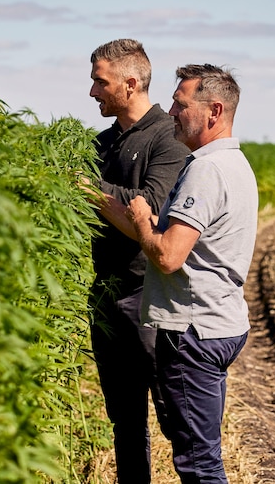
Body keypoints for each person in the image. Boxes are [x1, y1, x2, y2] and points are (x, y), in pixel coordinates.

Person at [122, 63, 258, 483]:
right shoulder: (234, 164)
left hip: (192, 332)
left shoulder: (206, 170)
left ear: (214, 111)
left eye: (181, 106)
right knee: (203, 453)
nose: (172, 114)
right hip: (221, 323)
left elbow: (167, 257)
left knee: (198, 464)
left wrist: (142, 218)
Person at [85, 38, 190, 484]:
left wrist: (90, 191)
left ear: (130, 83)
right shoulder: (102, 142)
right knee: (125, 421)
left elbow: (150, 208)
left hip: (149, 298)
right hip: (107, 294)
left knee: (177, 420)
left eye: (99, 82)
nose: (92, 92)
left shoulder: (168, 137)